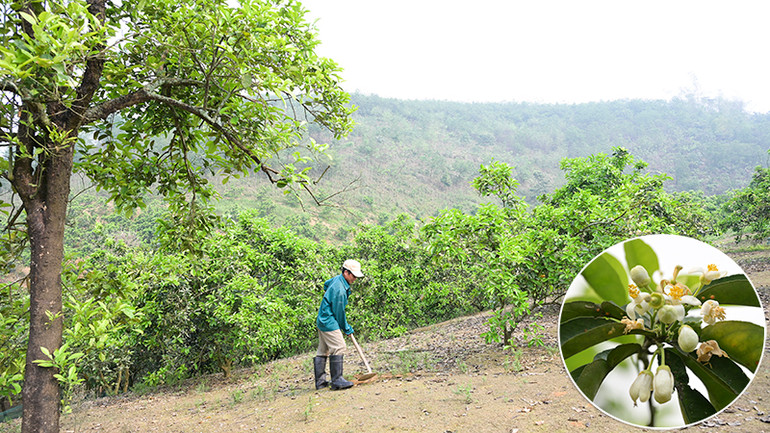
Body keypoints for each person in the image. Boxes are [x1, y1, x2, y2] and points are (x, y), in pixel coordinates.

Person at [313, 259, 364, 391]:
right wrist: (346, 328)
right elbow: (339, 313)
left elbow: (326, 284)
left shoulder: (337, 280)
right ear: (346, 272)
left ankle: (321, 383)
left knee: (323, 350)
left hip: (322, 318)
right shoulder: (340, 290)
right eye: (353, 276)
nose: (355, 279)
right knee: (339, 347)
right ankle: (337, 381)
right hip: (329, 320)